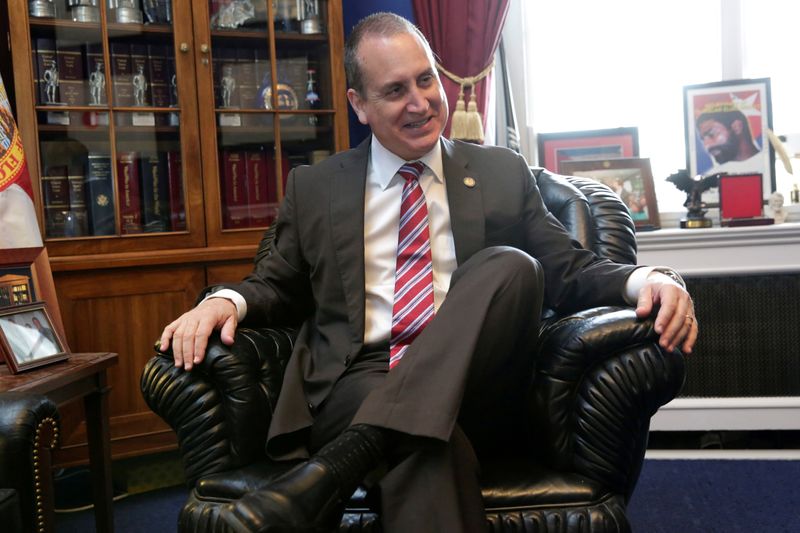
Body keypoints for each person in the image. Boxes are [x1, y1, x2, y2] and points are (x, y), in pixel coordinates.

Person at [159, 12, 697, 533]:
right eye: (395, 91)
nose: (420, 103)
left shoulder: (499, 172)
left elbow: (571, 269)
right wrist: (222, 301)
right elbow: (276, 282)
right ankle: (360, 449)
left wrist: (652, 278)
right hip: (360, 379)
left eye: (426, 80)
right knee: (430, 451)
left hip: (479, 384)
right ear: (360, 105)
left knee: (511, 266)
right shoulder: (317, 187)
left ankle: (333, 469)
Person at [696, 109, 762, 174]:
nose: (707, 146)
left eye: (711, 134)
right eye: (703, 140)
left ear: (737, 127)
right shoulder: (711, 177)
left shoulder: (767, 163)